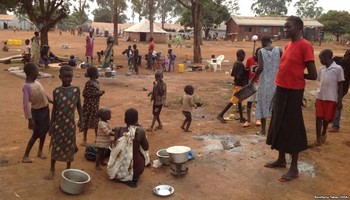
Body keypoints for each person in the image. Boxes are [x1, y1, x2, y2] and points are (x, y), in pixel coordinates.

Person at [263, 16, 317, 182]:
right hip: (281, 88)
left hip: (294, 92)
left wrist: (298, 75)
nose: (285, 30)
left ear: (299, 27)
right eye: (284, 27)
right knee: (278, 122)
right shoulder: (288, 45)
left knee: (292, 127)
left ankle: (294, 168)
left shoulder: (306, 46)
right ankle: (281, 159)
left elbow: (313, 75)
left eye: (289, 27)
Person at [46, 65, 83, 180]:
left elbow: (79, 106)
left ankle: (68, 169)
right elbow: (54, 109)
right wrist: (51, 125)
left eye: (70, 77)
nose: (68, 79)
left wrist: (81, 120)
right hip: (58, 124)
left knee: (69, 146)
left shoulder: (76, 90)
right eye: (65, 77)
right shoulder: (56, 91)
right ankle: (52, 168)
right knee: (56, 146)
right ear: (60, 77)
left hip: (70, 125)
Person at [310, 49, 344, 147]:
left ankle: (323, 133)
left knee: (326, 119)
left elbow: (340, 85)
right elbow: (320, 83)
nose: (320, 61)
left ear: (326, 58)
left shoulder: (338, 69)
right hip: (320, 97)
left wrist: (340, 100)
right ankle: (317, 139)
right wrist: (317, 96)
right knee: (318, 117)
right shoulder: (321, 69)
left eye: (321, 59)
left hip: (331, 98)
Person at [249, 36, 282, 135]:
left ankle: (263, 130)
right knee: (275, 106)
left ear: (262, 42)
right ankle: (274, 130)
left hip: (264, 83)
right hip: (277, 82)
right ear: (270, 41)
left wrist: (252, 80)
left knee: (263, 104)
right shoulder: (279, 50)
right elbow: (283, 64)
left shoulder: (261, 51)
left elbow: (260, 68)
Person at [108, 108, 149, 188]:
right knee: (141, 156)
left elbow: (116, 146)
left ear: (125, 119)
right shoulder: (140, 131)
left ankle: (120, 175)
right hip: (136, 167)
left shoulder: (117, 129)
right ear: (137, 119)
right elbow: (146, 147)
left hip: (118, 165)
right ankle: (133, 178)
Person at [21, 63, 51, 163]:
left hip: (45, 110)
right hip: (37, 113)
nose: (39, 72)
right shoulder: (26, 87)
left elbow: (44, 93)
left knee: (44, 131)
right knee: (36, 134)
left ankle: (40, 151)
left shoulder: (37, 82)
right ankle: (26, 156)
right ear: (33, 73)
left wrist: (51, 101)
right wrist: (30, 119)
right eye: (37, 71)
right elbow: (25, 105)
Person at [217, 49, 248, 123]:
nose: (244, 58)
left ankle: (241, 118)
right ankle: (221, 114)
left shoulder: (235, 63)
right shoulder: (240, 64)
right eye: (244, 56)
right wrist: (246, 72)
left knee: (239, 101)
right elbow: (239, 76)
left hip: (236, 84)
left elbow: (232, 74)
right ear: (241, 56)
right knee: (233, 101)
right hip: (239, 85)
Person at [81, 66, 105, 146]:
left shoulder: (97, 82)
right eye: (97, 72)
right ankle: (84, 138)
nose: (98, 73)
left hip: (95, 106)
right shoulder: (88, 83)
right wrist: (97, 94)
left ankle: (97, 138)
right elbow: (84, 94)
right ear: (94, 74)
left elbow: (95, 93)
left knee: (96, 122)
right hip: (88, 106)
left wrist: (100, 93)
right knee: (86, 122)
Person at [329, 49, 350, 132]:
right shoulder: (336, 60)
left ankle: (336, 125)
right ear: (345, 55)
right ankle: (328, 119)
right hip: (331, 86)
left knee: (338, 104)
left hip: (342, 88)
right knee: (330, 102)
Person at [243, 47, 261, 127]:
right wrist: (246, 84)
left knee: (258, 102)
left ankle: (257, 119)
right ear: (256, 54)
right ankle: (248, 120)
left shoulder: (263, 61)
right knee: (249, 101)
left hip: (260, 84)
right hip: (251, 84)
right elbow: (246, 72)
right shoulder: (250, 60)